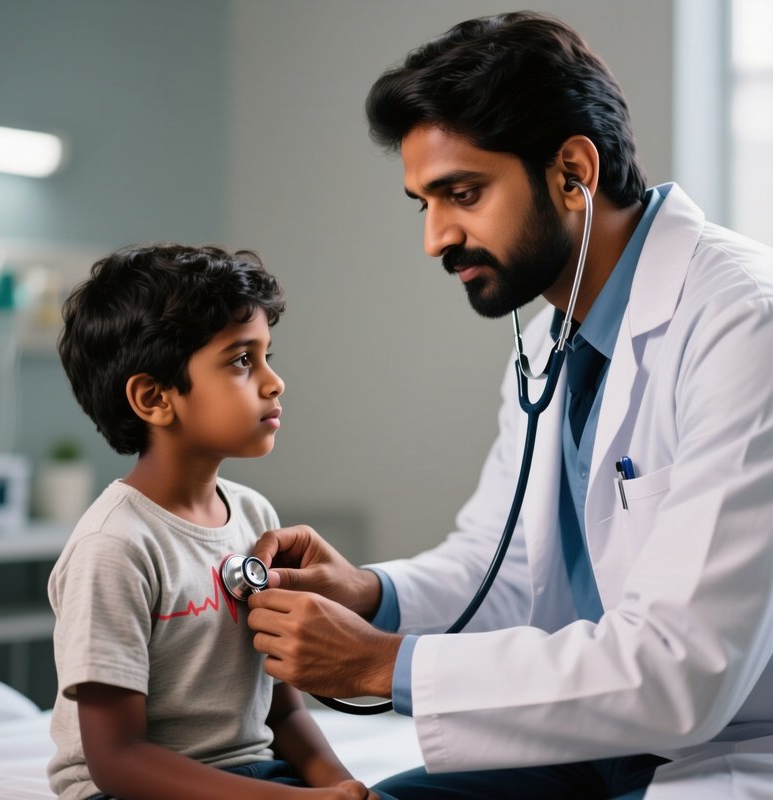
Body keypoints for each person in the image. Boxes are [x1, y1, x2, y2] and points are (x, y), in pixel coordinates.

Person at [245, 10, 773, 800]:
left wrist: (379, 664)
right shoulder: (550, 340)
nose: (435, 238)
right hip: (583, 749)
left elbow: (682, 668)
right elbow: (502, 569)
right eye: (422, 203)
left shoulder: (744, 325)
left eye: (462, 193)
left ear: (572, 173)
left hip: (722, 754)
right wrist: (371, 596)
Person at [48, 244, 385, 800]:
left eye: (267, 355)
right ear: (154, 397)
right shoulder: (115, 546)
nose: (274, 382)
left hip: (253, 776)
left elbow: (282, 711)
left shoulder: (255, 516)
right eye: (241, 360)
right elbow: (117, 760)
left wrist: (342, 786)